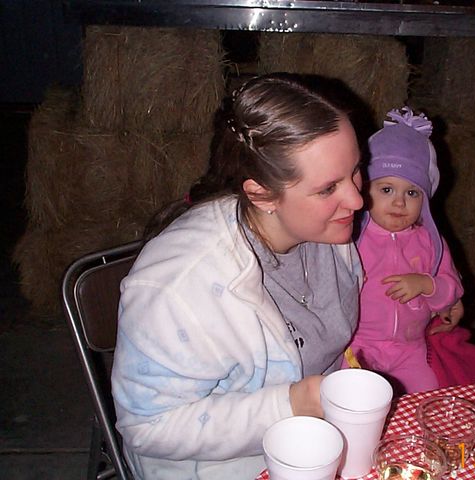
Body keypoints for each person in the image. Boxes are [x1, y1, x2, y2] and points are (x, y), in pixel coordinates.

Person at [111, 73, 365, 479]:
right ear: (261, 195)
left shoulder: (326, 231)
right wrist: (290, 404)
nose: (356, 198)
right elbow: (147, 426)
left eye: (355, 170)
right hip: (227, 467)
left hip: (317, 441)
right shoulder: (179, 287)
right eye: (327, 189)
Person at [344, 106, 464, 395]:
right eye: (386, 190)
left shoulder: (430, 241)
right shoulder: (351, 237)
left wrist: (427, 285)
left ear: (425, 200)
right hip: (358, 345)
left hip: (409, 348)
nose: (399, 203)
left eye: (412, 193)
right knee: (353, 398)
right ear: (365, 189)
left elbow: (452, 288)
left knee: (427, 397)